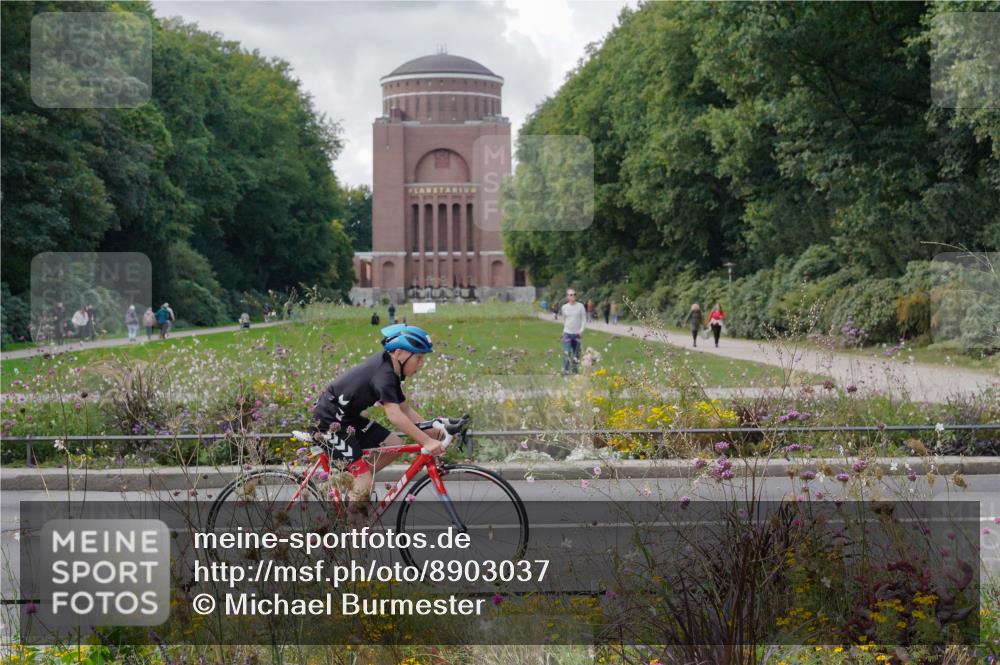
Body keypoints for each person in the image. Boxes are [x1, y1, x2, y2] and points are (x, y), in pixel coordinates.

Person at [310, 324, 443, 526]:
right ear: (399, 353)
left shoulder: (390, 369)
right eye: (418, 357)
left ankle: (351, 485)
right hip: (328, 423)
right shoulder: (384, 374)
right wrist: (426, 441)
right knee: (363, 477)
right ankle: (355, 546)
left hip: (348, 419)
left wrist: (437, 432)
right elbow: (394, 415)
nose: (421, 363)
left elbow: (406, 410)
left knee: (393, 444)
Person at [560, 289, 587, 375]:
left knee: (576, 354)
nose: (573, 296)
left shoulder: (580, 306)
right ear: (567, 296)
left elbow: (583, 319)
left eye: (574, 294)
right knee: (567, 352)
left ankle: (575, 371)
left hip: (577, 334)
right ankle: (565, 371)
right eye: (571, 295)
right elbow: (564, 319)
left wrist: (581, 330)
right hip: (567, 333)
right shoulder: (564, 307)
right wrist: (565, 329)